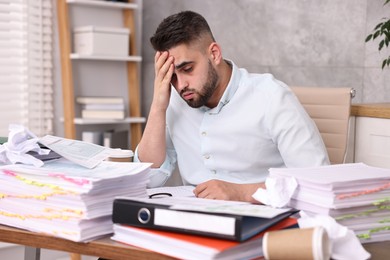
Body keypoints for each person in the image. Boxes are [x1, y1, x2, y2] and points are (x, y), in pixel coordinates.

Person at [134, 10, 329, 202]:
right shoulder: (174, 100)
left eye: (187, 69)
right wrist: (158, 106)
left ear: (214, 54)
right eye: (172, 76)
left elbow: (319, 183)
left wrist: (242, 193)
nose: (181, 84)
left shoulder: (271, 97)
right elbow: (149, 179)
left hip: (263, 220)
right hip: (195, 219)